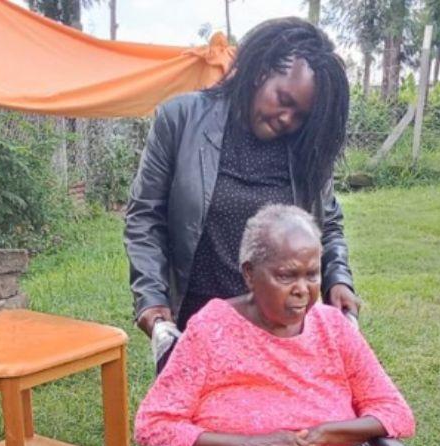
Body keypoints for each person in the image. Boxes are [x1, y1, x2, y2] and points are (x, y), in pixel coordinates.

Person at [134, 205, 424, 446]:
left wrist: (320, 434)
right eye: (286, 275)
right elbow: (154, 423)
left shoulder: (334, 329)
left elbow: (396, 414)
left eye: (312, 274)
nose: (303, 289)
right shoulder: (211, 329)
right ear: (250, 274)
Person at [124, 17, 361, 349]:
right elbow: (145, 217)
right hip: (196, 322)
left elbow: (327, 224)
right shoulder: (181, 120)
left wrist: (338, 279)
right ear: (261, 72)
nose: (287, 119)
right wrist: (150, 298)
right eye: (284, 100)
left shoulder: (306, 148)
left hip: (279, 327)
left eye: (301, 115)